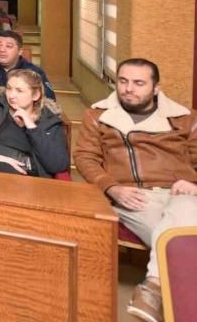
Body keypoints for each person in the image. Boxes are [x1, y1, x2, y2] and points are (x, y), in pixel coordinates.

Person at [74, 58, 197, 322]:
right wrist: (112, 188)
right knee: (181, 242)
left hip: (182, 194)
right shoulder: (97, 117)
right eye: (123, 81)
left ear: (156, 88)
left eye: (139, 83)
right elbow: (85, 158)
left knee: (185, 219)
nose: (129, 88)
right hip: (134, 197)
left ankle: (152, 287)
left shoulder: (185, 119)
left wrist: (194, 183)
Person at [0, 69, 68, 177]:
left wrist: (32, 127)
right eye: (9, 88)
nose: (11, 95)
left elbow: (58, 165)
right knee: (4, 168)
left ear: (35, 95)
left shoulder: (49, 121)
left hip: (26, 177)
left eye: (19, 91)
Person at [0, 31, 55, 99]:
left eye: (8, 46)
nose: (2, 50)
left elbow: (49, 98)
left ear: (20, 51)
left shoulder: (34, 72)